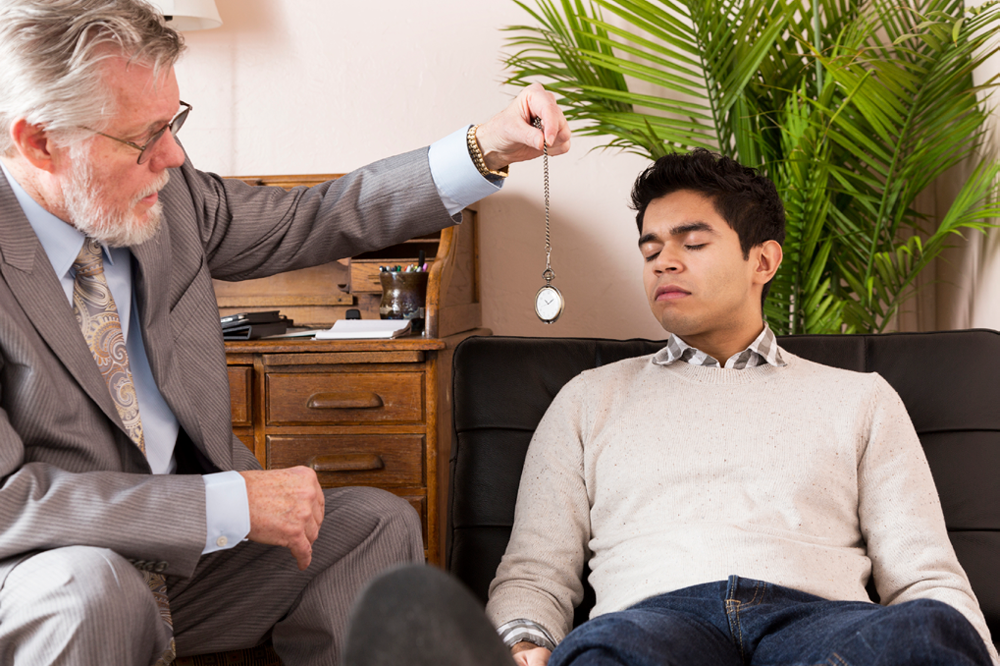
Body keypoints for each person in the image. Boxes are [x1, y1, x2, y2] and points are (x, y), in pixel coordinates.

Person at [0, 0, 570, 663]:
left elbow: (318, 215)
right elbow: (10, 502)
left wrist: (483, 147)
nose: (175, 155)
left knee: (372, 527)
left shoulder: (170, 196)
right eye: (142, 137)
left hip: (183, 573)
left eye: (174, 122)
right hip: (44, 577)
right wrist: (224, 503)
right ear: (39, 141)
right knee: (90, 590)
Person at [341, 149, 998, 666]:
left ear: (761, 260)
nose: (664, 263)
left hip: (821, 629)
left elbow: (925, 578)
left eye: (693, 242)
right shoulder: (588, 400)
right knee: (605, 655)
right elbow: (537, 569)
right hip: (654, 627)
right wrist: (518, 642)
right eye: (651, 249)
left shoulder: (859, 398)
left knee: (918, 635)